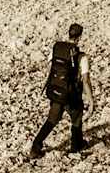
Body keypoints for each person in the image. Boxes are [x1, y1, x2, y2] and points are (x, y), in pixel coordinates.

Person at [29, 23, 94, 159]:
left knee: (52, 119)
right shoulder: (82, 57)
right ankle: (76, 147)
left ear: (69, 33)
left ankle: (35, 146)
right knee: (76, 118)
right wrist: (91, 100)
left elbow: (51, 69)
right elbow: (86, 81)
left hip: (57, 91)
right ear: (80, 37)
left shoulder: (58, 49)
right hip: (72, 94)